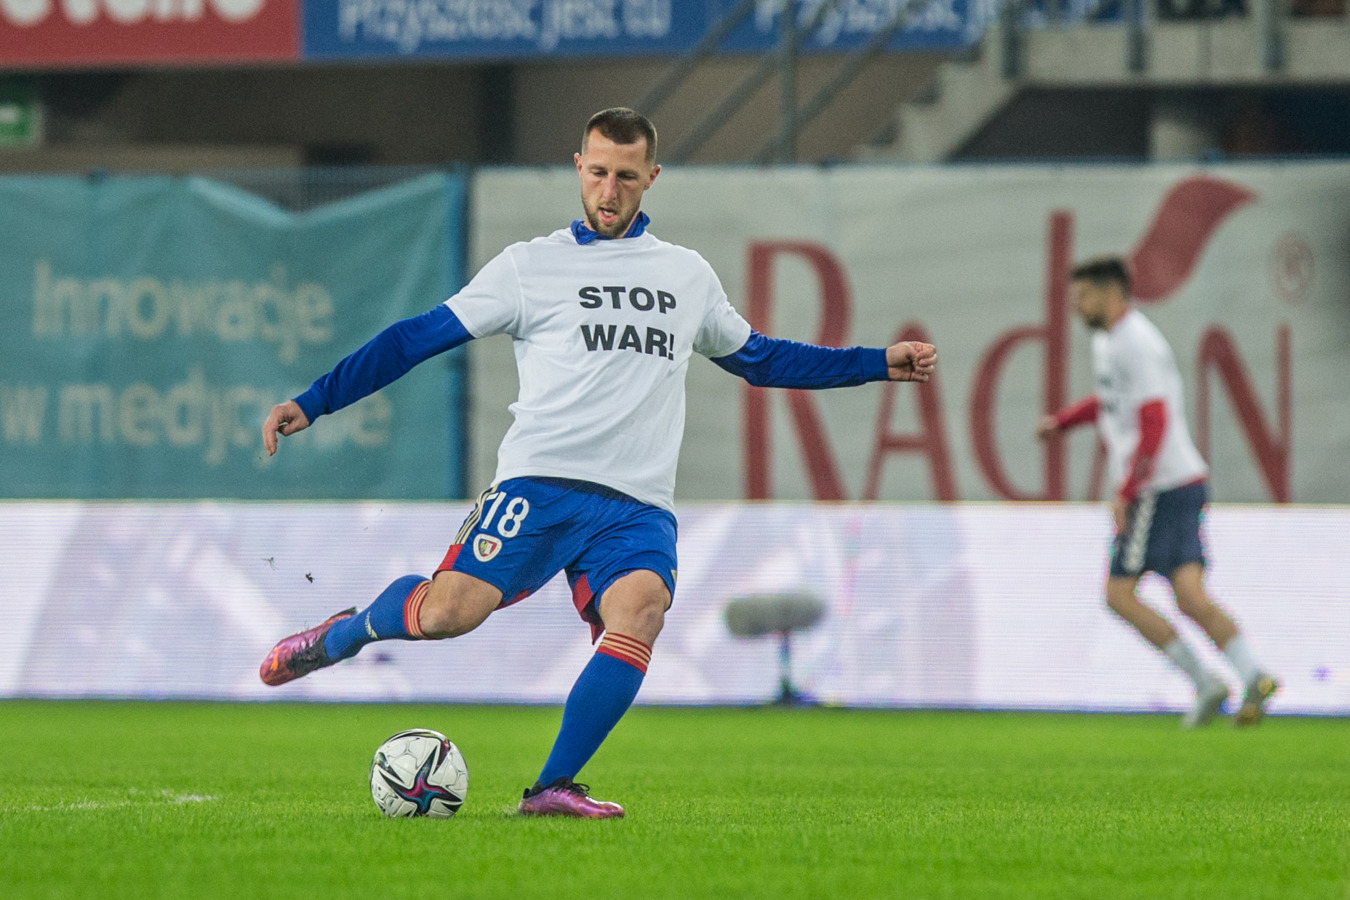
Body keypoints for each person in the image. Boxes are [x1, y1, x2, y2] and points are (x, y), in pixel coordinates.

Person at [258, 108, 938, 818]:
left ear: (652, 177)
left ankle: (552, 787)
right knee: (448, 614)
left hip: (636, 505)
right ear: (579, 168)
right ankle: (342, 634)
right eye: (599, 173)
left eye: (626, 177)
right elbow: (414, 338)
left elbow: (762, 359)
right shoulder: (529, 266)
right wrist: (316, 400)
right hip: (539, 484)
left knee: (641, 611)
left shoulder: (686, 275)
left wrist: (874, 363)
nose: (610, 191)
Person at [1036, 256, 1276, 728]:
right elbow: (1113, 403)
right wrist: (1063, 422)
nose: (1075, 305)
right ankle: (1253, 674)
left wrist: (1128, 490)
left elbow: (1154, 420)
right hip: (1183, 480)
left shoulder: (1136, 343)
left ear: (1110, 293)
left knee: (1118, 593)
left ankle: (1204, 682)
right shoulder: (1109, 341)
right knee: (1188, 595)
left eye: (1083, 296)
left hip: (1157, 486)